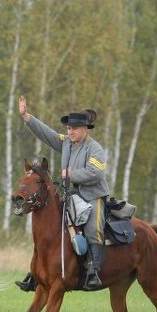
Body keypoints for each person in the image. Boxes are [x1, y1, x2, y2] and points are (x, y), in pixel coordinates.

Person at [16, 96, 111, 291]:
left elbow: (96, 173)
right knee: (50, 227)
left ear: (85, 129)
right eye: (68, 128)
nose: (70, 131)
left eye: (74, 128)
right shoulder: (66, 143)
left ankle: (93, 271)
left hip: (94, 197)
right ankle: (39, 272)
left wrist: (71, 174)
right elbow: (47, 134)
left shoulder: (95, 149)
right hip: (72, 197)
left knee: (94, 228)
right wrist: (27, 116)